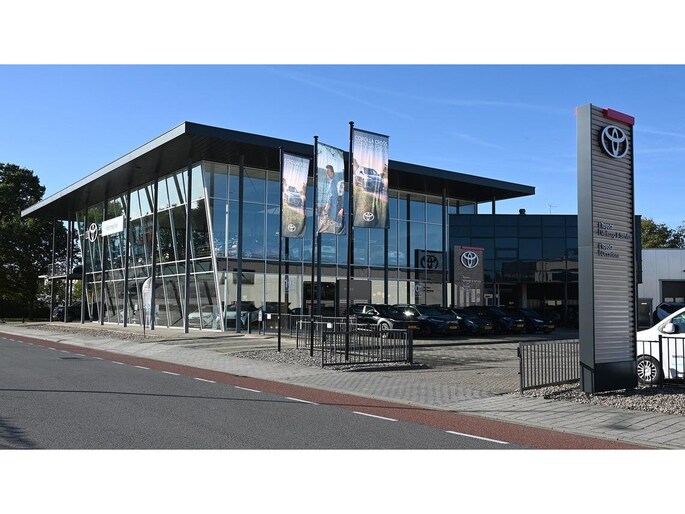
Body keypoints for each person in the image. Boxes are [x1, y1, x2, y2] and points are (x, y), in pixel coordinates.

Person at [321, 164, 344, 233]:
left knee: (329, 231)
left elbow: (330, 200)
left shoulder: (332, 183)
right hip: (333, 212)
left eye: (328, 171)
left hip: (331, 213)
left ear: (332, 172)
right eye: (326, 171)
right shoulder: (332, 182)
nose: (327, 173)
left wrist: (324, 211)